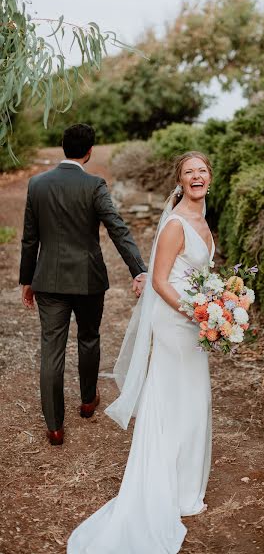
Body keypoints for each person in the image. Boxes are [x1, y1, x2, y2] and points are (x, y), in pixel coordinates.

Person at [68, 151, 214, 554]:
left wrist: (222, 304)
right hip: (176, 324)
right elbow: (162, 282)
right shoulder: (175, 224)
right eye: (189, 172)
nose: (197, 176)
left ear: (210, 178)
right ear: (180, 181)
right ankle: (167, 486)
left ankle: (185, 487)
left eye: (202, 171)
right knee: (177, 400)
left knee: (193, 399)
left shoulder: (203, 219)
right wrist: (196, 312)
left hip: (195, 323)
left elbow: (199, 275)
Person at [19, 123, 147, 446]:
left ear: (62, 146)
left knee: (52, 349)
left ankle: (54, 427)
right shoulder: (94, 185)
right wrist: (138, 269)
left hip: (47, 280)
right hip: (88, 280)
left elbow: (29, 238)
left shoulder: (37, 184)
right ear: (89, 152)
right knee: (89, 338)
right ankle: (88, 401)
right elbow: (118, 229)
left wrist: (26, 279)